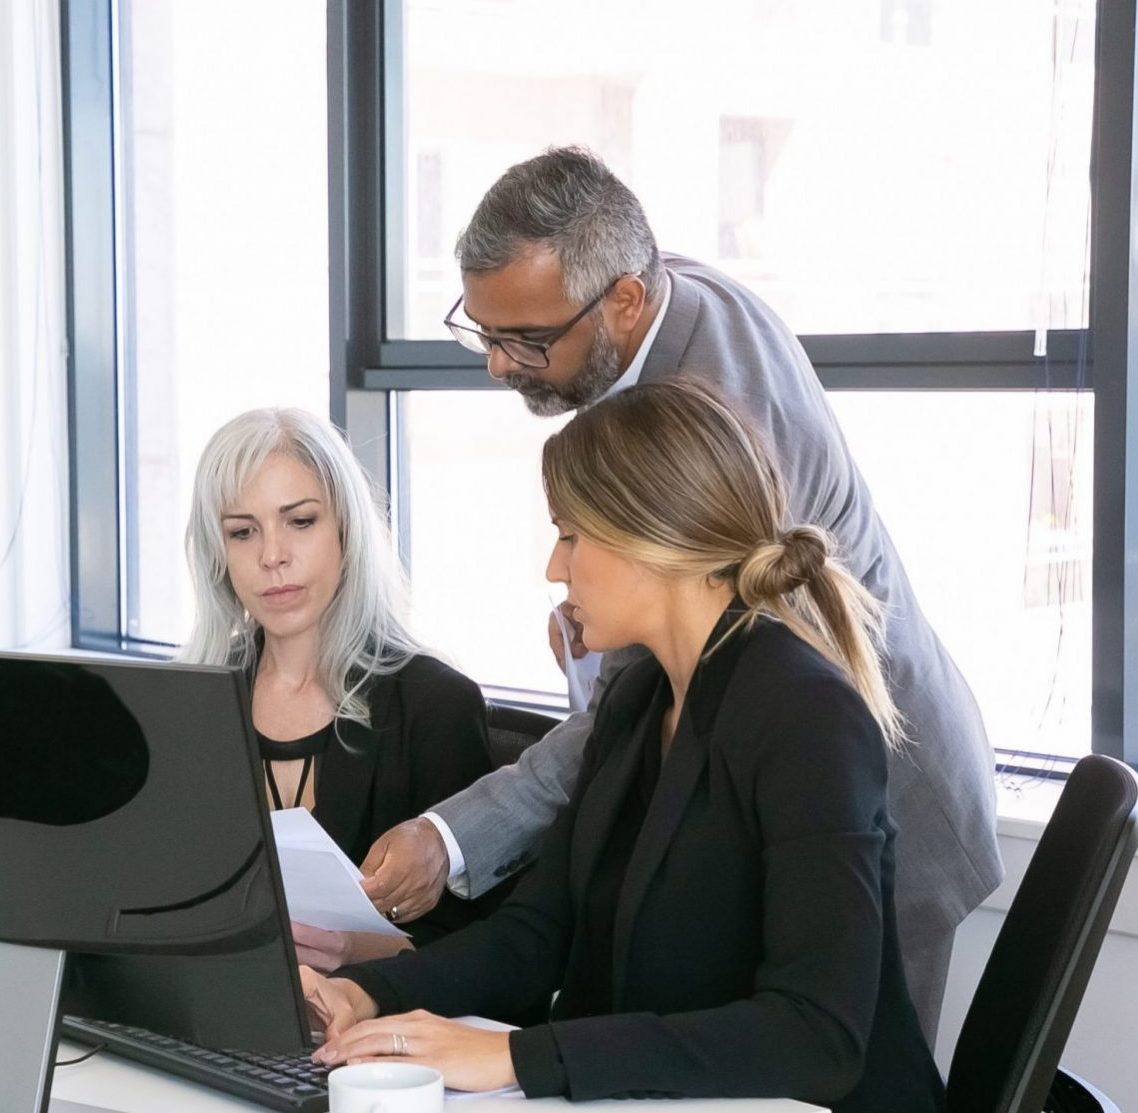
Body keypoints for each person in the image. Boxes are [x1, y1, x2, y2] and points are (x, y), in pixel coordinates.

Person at [357, 147, 1000, 1041]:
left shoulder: (717, 412)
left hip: (882, 779)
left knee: (849, 1060)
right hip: (778, 761)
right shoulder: (650, 300)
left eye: (527, 340)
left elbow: (811, 1046)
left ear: (624, 300)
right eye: (482, 329)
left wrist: (454, 837)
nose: (498, 367)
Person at [303, 380, 945, 1111]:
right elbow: (536, 933)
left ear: (654, 537)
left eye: (571, 534)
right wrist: (364, 990)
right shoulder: (639, 700)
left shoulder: (806, 716)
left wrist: (518, 1053)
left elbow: (815, 1035)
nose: (554, 566)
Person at [180, 407, 497, 970]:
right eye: (242, 531)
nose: (272, 555)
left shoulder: (434, 705)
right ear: (218, 554)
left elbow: (490, 949)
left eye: (300, 521)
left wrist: (359, 951)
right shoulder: (190, 703)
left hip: (378, 1040)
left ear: (346, 531)